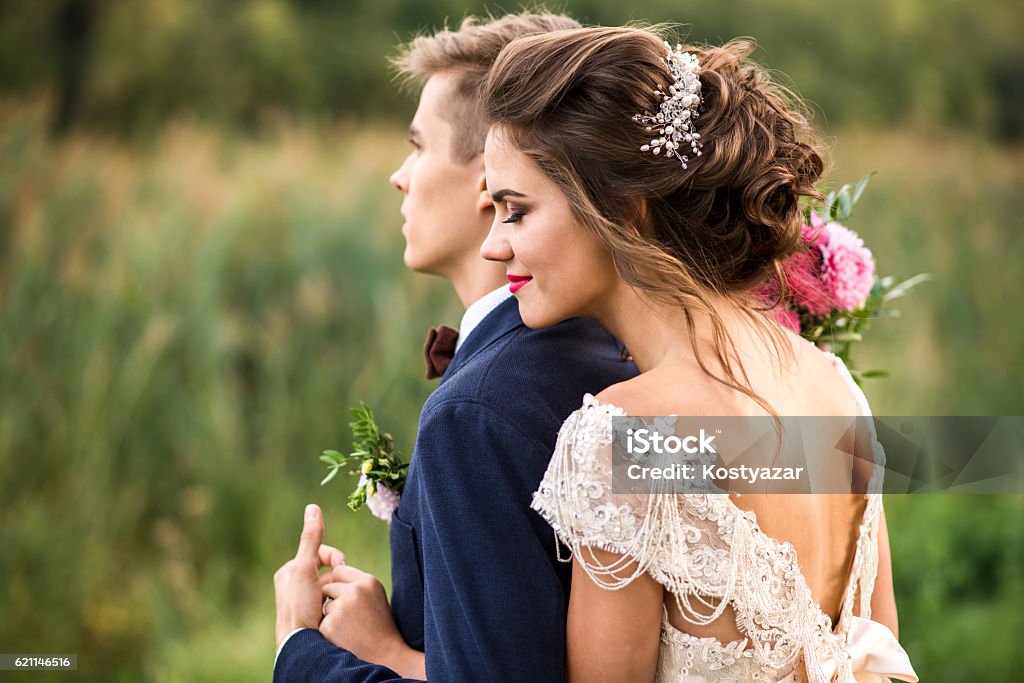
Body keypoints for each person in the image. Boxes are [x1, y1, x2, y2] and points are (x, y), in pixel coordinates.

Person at [479, 26, 919, 682]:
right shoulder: (833, 386)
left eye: (515, 210)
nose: (493, 245)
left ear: (625, 210)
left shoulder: (624, 437)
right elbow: (877, 649)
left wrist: (392, 661)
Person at [272, 14, 637, 682]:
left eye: (418, 145)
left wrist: (304, 650)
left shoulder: (476, 411)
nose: (399, 176)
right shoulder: (669, 368)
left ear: (488, 181)